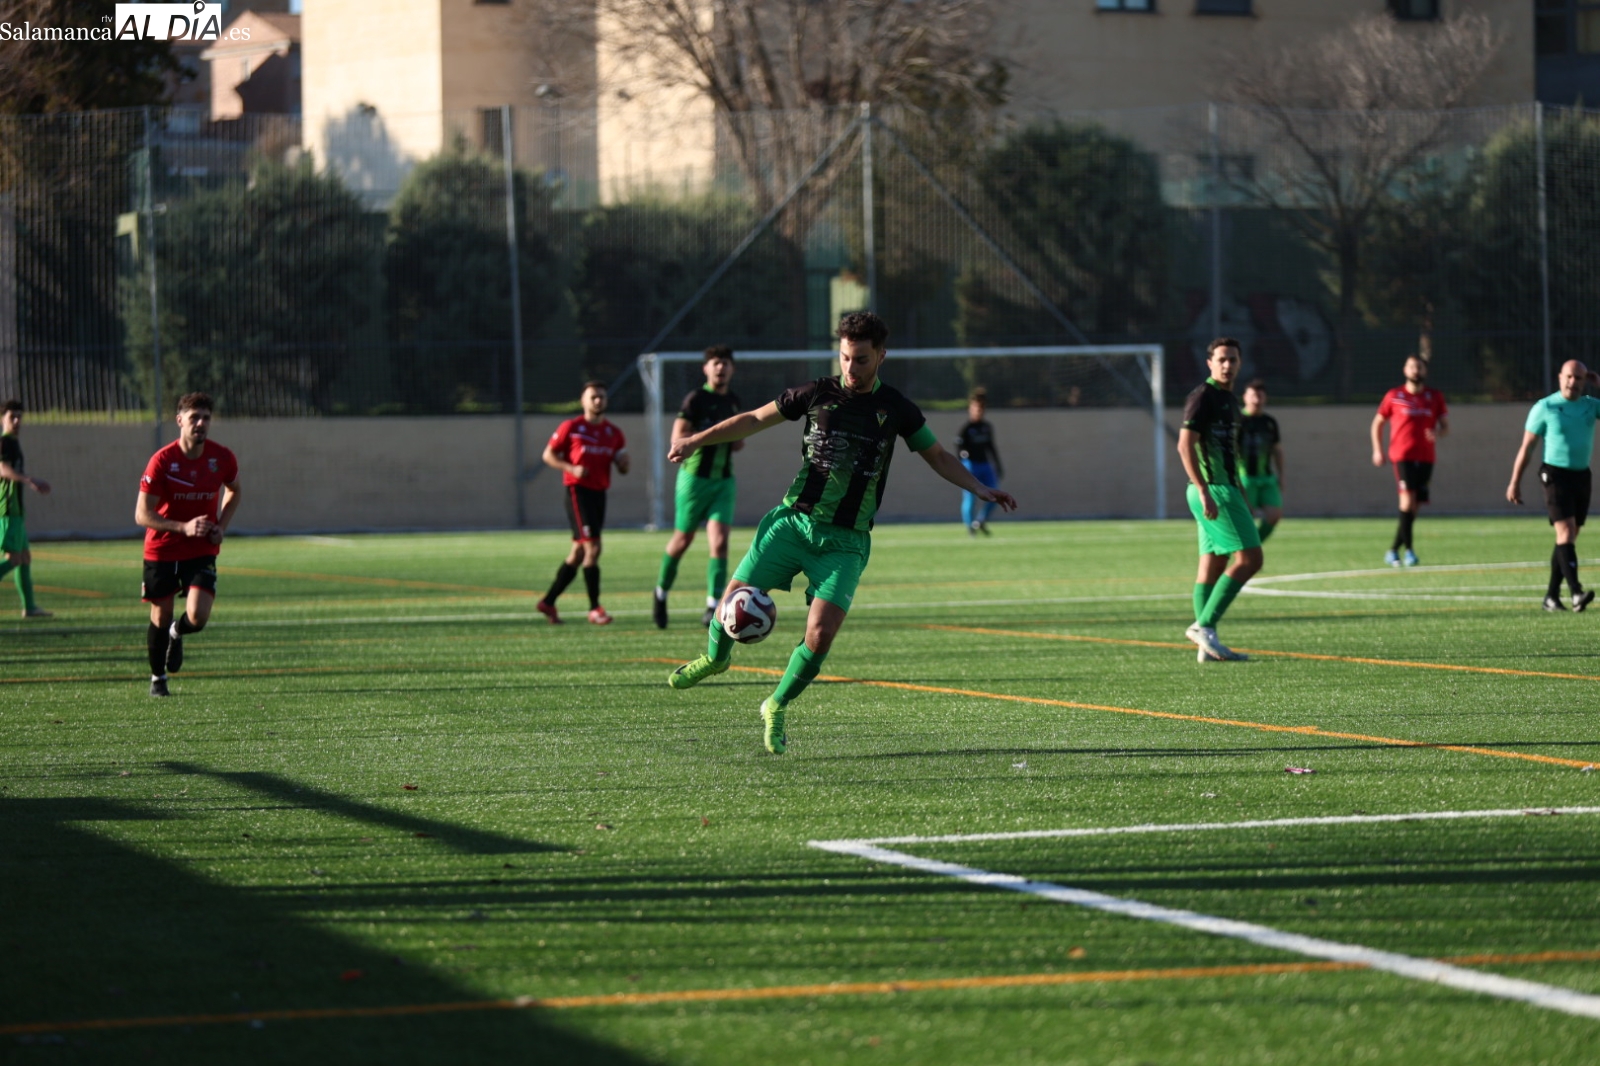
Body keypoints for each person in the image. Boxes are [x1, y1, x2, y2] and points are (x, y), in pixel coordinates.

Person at [664, 311, 1017, 754]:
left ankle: (776, 704)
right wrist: (696, 439)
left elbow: (938, 455)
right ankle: (715, 659)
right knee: (727, 607)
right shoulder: (816, 393)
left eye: (862, 360)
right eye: (846, 358)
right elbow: (754, 419)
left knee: (820, 635)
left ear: (881, 356)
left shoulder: (897, 409)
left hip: (847, 542)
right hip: (793, 523)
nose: (852, 369)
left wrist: (980, 487)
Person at [135, 393, 241, 698]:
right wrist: (182, 527)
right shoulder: (163, 461)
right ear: (179, 420)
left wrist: (221, 526)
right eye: (194, 417)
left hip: (200, 549)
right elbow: (142, 514)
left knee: (198, 617)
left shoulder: (221, 458)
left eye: (206, 417)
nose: (201, 423)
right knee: (160, 614)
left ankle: (177, 633)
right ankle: (158, 678)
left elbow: (234, 490)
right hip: (163, 549)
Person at [1179, 338, 1260, 664]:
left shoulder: (1229, 400)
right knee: (1251, 559)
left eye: (1233, 360)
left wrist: (1241, 489)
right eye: (1222, 359)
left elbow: (1230, 454)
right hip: (1213, 490)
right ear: (1209, 362)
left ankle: (1206, 647)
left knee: (1213, 564)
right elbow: (1185, 446)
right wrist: (1203, 489)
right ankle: (1204, 626)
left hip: (1226, 488)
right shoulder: (1203, 396)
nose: (1228, 365)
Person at [654, 346, 741, 629]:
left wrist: (735, 438)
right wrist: (710, 434)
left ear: (732, 369)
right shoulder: (696, 399)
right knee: (683, 541)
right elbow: (677, 437)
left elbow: (739, 441)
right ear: (706, 369)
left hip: (723, 482)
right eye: (716, 363)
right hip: (694, 481)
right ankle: (660, 592)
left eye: (725, 364)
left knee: (720, 542)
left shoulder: (733, 402)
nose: (721, 368)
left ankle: (713, 606)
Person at [1507, 359, 1600, 612]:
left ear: (1585, 381)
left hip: (1582, 477)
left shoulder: (1591, 406)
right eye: (1569, 377)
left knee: (1567, 538)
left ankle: (1551, 596)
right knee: (1567, 533)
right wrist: (1515, 481)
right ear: (1560, 378)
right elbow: (1527, 448)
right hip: (1554, 475)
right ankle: (1576, 593)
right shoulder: (1545, 407)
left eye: (1578, 378)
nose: (1573, 382)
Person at [537, 381, 629, 625]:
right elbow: (548, 455)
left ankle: (548, 602)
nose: (598, 401)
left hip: (599, 494)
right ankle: (594, 608)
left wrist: (624, 463)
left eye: (601, 397)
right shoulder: (572, 427)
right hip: (578, 492)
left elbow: (623, 465)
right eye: (593, 397)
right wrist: (571, 468)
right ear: (583, 401)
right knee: (593, 548)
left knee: (579, 552)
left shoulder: (613, 433)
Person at [1371, 355, 1448, 567]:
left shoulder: (1434, 396)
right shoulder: (1395, 396)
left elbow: (1445, 426)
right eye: (1412, 366)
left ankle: (1393, 550)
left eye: (1419, 367)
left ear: (1425, 371)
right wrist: (1378, 450)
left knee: (1414, 507)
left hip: (1426, 457)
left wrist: (1438, 433)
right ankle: (1410, 551)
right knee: (1406, 502)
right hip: (1402, 456)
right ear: (1405, 370)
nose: (1416, 370)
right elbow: (1377, 423)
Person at [0, 399, 54, 619]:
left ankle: (30, 607)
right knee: (14, 558)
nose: (16, 420)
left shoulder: (13, 442)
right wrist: (28, 479)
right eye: (12, 416)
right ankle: (29, 607)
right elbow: (2, 468)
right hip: (8, 509)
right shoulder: (4, 442)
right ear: (2, 418)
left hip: (17, 511)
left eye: (19, 416)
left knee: (24, 557)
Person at [1237, 379, 1283, 543]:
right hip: (1245, 478)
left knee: (1274, 515)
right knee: (1245, 519)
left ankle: (1253, 548)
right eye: (1253, 395)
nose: (1256, 399)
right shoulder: (1238, 421)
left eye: (1260, 395)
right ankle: (1245, 554)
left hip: (1267, 478)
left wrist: (1281, 476)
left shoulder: (1269, 422)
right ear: (1245, 397)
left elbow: (1277, 451)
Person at [955, 387, 1004, 535]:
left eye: (982, 407)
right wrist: (964, 459)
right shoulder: (966, 428)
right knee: (970, 498)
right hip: (971, 465)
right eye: (977, 407)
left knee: (995, 494)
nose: (979, 411)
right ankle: (970, 527)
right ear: (971, 409)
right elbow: (959, 447)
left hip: (985, 465)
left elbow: (991, 447)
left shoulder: (987, 427)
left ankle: (980, 521)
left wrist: (998, 465)